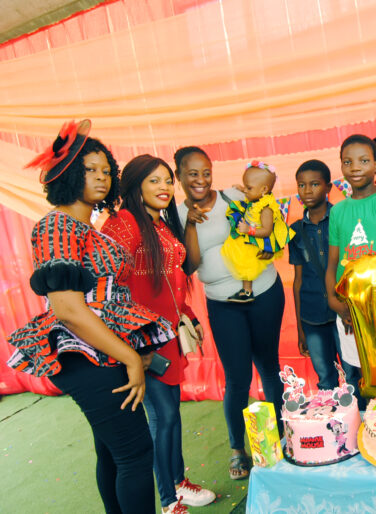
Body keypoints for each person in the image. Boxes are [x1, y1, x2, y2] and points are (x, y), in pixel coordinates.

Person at [6, 120, 175, 513]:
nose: (101, 177)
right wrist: (130, 356)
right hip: (84, 354)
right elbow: (67, 309)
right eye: (89, 169)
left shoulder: (90, 229)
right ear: (67, 174)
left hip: (102, 350)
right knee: (135, 454)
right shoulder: (57, 225)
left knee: (115, 453)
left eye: (106, 170)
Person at [102, 155, 215, 513]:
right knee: (163, 416)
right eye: (154, 180)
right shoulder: (123, 223)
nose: (164, 187)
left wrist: (188, 315)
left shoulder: (161, 224)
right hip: (142, 341)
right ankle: (167, 500)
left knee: (171, 414)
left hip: (168, 335)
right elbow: (109, 286)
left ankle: (178, 483)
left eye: (167, 180)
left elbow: (172, 280)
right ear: (135, 185)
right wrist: (131, 344)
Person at [174, 146, 285, 481]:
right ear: (179, 176)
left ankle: (282, 437)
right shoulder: (176, 215)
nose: (201, 179)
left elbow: (270, 221)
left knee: (269, 367)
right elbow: (190, 265)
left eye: (206, 172)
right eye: (192, 173)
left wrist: (268, 243)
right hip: (224, 304)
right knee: (237, 378)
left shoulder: (235, 197)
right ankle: (239, 449)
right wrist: (190, 224)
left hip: (264, 292)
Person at [325, 135, 376, 385]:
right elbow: (333, 264)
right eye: (347, 162)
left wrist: (365, 303)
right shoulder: (338, 211)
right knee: (363, 380)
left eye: (363, 161)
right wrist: (333, 301)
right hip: (349, 312)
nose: (355, 168)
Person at [288, 159, 344, 390]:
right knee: (325, 379)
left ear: (328, 187)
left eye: (314, 184)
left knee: (354, 373)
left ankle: (359, 412)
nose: (307, 191)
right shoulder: (294, 231)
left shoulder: (342, 218)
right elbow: (298, 281)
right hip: (312, 317)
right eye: (302, 185)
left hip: (343, 313)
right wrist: (301, 328)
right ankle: (332, 414)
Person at [221, 160, 294, 302]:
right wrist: (242, 189)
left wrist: (248, 230)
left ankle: (247, 291)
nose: (245, 191)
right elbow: (251, 194)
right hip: (251, 236)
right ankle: (246, 289)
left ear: (264, 189)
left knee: (245, 262)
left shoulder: (266, 209)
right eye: (245, 186)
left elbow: (266, 231)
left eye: (248, 188)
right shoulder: (257, 197)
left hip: (257, 242)